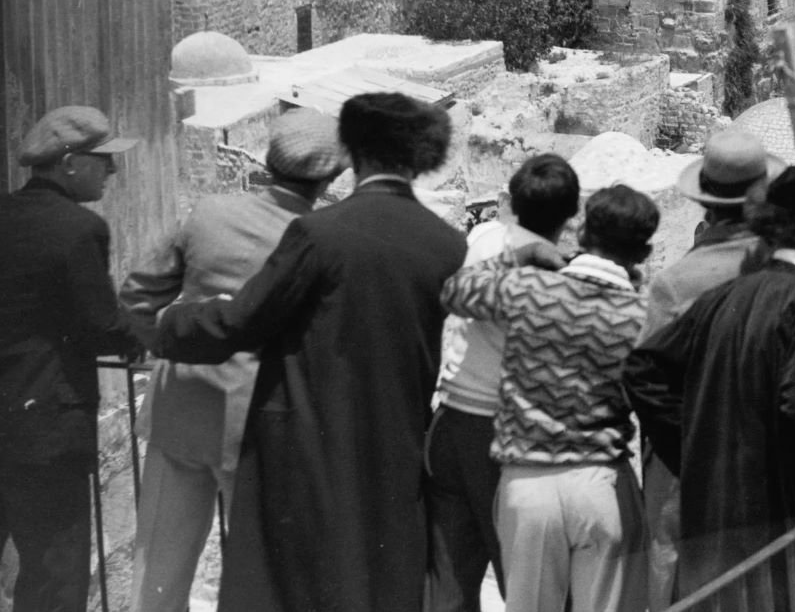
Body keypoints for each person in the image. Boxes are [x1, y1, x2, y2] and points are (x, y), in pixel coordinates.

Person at [155, 92, 466, 612]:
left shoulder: (319, 234)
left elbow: (242, 320)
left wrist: (171, 323)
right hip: (395, 438)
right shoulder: (446, 243)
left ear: (354, 154)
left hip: (303, 440)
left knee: (293, 582)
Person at [118, 109, 344, 612]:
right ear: (333, 174)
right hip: (257, 424)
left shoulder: (209, 212)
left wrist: (165, 345)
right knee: (257, 577)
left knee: (157, 568)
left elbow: (137, 295)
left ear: (269, 161)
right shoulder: (319, 237)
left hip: (180, 406)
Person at [625, 170, 795, 612]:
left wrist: (697, 452)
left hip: (715, 523)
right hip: (784, 531)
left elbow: (643, 368)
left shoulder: (725, 295)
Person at [441, 183, 661, 612]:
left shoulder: (528, 289)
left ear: (582, 234)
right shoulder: (639, 316)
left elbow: (455, 292)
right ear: (645, 253)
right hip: (601, 484)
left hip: (528, 486)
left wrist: (520, 256)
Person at [0, 106, 139, 612]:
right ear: (70, 163)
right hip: (45, 429)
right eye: (104, 160)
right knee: (54, 573)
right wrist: (152, 333)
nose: (113, 171)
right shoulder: (79, 228)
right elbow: (103, 326)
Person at [429, 154, 582, 612]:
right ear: (571, 213)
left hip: (451, 421)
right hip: (505, 437)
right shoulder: (554, 275)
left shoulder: (481, 240)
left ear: (510, 203)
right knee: (528, 583)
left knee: (450, 581)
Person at [637, 128, 778, 607]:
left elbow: (646, 377)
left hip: (689, 454)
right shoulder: (788, 271)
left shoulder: (675, 284)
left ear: (706, 204)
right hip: (767, 454)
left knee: (668, 562)